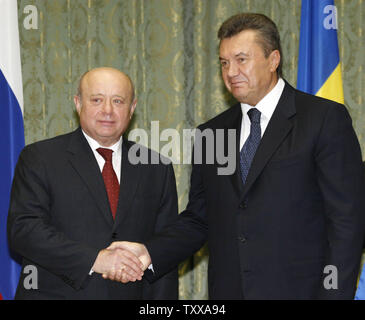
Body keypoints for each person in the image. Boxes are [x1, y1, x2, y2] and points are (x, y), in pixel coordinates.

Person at [107, 13, 365, 299]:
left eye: (242, 59)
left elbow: (347, 220)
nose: (230, 72)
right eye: (224, 62)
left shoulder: (323, 119)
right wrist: (149, 252)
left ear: (273, 59)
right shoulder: (212, 132)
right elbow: (199, 219)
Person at [7, 67, 178, 299]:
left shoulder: (157, 167)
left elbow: (165, 250)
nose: (107, 110)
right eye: (96, 99)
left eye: (118, 101)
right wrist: (96, 260)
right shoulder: (40, 158)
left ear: (132, 108)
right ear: (78, 104)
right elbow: (24, 231)